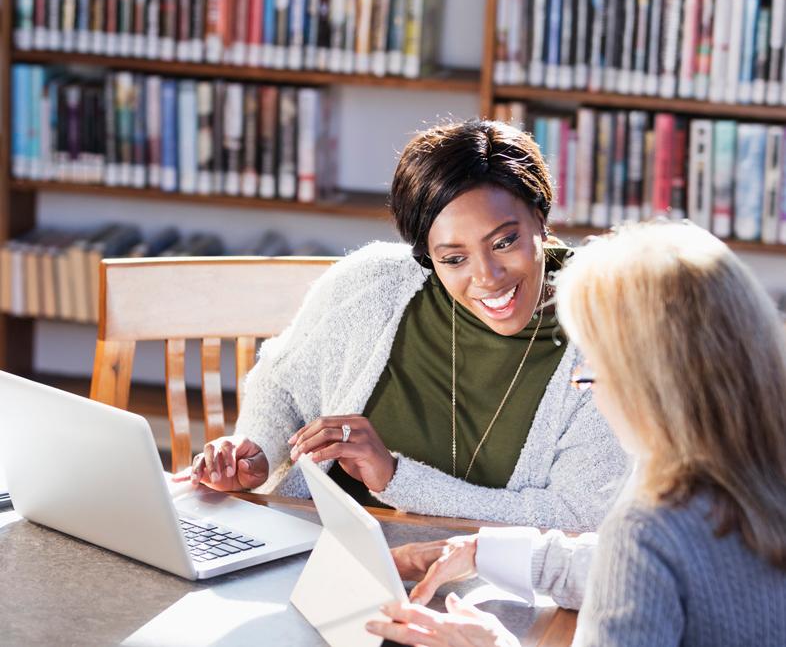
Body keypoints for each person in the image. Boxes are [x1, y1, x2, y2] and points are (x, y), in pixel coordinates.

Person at [177, 120, 626, 529]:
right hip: (306, 547)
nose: (487, 277)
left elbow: (577, 517)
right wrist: (256, 451)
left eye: (504, 241)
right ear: (427, 257)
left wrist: (395, 478)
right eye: (454, 258)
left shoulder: (606, 337)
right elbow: (282, 387)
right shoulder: (371, 284)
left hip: (468, 592)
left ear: (541, 220)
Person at [367, 221, 786, 646]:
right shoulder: (758, 478)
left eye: (591, 373)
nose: (592, 392)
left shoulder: (649, 529)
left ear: (644, 381)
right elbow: (639, 571)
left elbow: (642, 561)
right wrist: (484, 552)